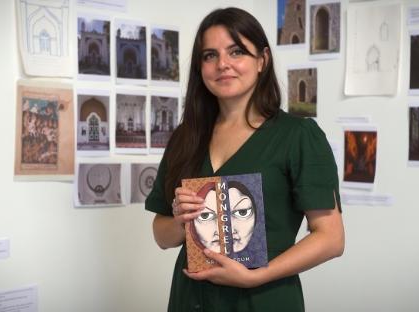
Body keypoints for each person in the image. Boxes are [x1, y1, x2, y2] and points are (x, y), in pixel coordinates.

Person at [145, 7, 344, 312]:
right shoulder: (186, 137)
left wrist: (255, 277)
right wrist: (181, 219)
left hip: (263, 299)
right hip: (190, 300)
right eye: (210, 55)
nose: (222, 64)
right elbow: (162, 236)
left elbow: (331, 238)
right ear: (200, 67)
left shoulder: (299, 136)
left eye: (236, 51)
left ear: (262, 60)